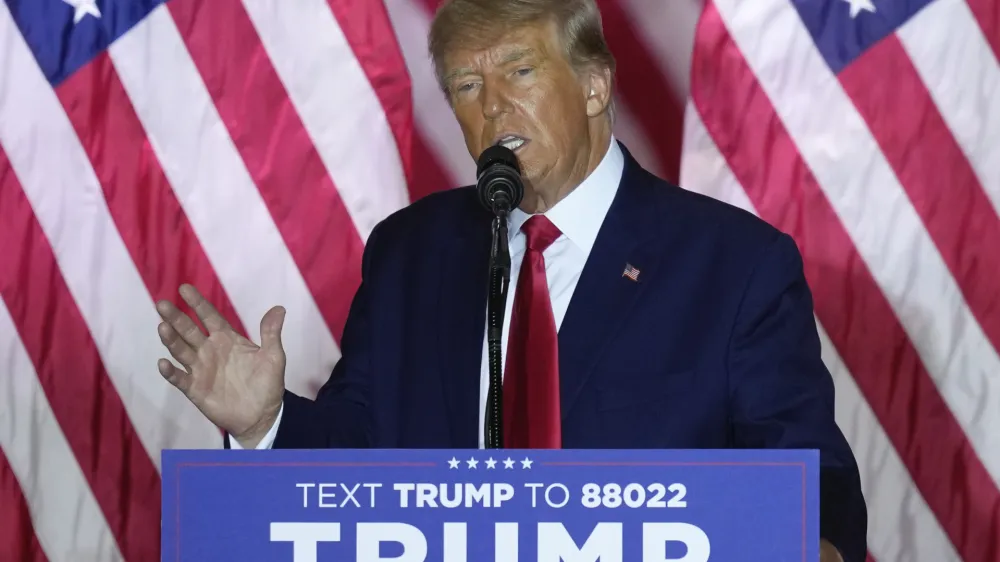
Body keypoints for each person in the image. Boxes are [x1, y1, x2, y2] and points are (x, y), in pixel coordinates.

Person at [154, 0, 866, 559]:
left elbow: (810, 479)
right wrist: (266, 422)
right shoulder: (411, 253)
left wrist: (814, 544)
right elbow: (360, 459)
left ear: (594, 86)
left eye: (520, 72)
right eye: (467, 86)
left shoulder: (734, 264)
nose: (492, 105)